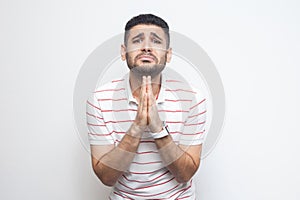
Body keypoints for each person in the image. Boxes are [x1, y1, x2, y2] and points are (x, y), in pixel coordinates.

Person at [86, 14, 207, 199]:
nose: (146, 47)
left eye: (156, 41)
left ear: (168, 54)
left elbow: (185, 174)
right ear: (123, 52)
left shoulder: (193, 99)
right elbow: (106, 177)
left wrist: (158, 129)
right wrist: (137, 128)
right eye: (137, 40)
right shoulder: (99, 100)